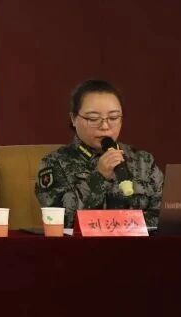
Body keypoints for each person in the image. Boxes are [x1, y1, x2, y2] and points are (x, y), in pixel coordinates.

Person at [35, 79, 163, 228]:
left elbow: (164, 215)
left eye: (113, 118)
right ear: (73, 119)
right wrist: (98, 177)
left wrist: (124, 227)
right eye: (93, 119)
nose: (105, 126)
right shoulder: (54, 163)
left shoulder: (143, 161)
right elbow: (61, 221)